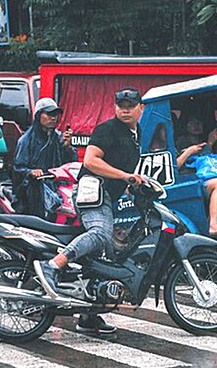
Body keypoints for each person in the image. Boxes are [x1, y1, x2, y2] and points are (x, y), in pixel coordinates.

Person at [34, 87, 145, 335]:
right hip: (91, 191)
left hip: (107, 194)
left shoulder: (135, 133)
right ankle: (53, 265)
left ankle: (88, 317)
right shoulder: (108, 130)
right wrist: (126, 177)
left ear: (141, 108)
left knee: (101, 256)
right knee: (100, 234)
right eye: (120, 105)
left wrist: (130, 186)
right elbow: (91, 161)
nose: (125, 109)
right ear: (115, 107)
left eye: (130, 105)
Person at [12, 98, 77, 218]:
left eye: (55, 115)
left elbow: (70, 163)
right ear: (38, 116)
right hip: (34, 189)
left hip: (56, 186)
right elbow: (18, 168)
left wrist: (67, 147)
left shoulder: (58, 137)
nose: (53, 118)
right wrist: (31, 172)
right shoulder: (26, 140)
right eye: (49, 114)